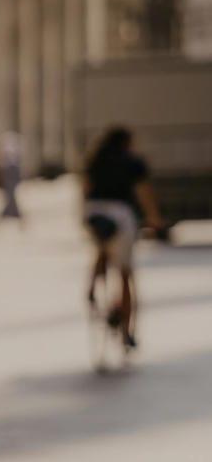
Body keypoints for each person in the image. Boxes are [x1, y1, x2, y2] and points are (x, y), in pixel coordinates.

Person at [83, 125, 164, 350]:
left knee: (102, 248)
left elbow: (85, 190)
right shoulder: (133, 162)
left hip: (94, 213)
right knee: (125, 273)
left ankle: (92, 286)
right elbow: (146, 194)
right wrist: (154, 219)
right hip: (120, 216)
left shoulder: (93, 160)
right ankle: (127, 331)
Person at [0, 130, 24, 225]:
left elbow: (4, 161)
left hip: (10, 173)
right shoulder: (13, 146)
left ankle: (13, 216)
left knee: (10, 197)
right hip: (11, 173)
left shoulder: (8, 149)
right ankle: (15, 216)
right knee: (10, 197)